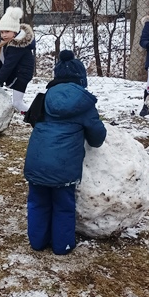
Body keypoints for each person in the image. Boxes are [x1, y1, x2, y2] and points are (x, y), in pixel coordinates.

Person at [23, 50, 106, 255]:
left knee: (37, 203)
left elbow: (34, 123)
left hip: (37, 162)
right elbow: (97, 138)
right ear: (81, 78)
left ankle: (37, 243)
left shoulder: (43, 98)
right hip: (64, 167)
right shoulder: (84, 104)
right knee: (63, 206)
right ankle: (62, 246)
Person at [0, 6, 36, 113]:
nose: (4, 35)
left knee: (17, 103)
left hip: (22, 75)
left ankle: (34, 118)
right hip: (17, 70)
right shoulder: (9, 42)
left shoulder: (17, 46)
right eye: (2, 32)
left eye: (7, 31)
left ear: (15, 31)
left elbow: (8, 65)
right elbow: (0, 56)